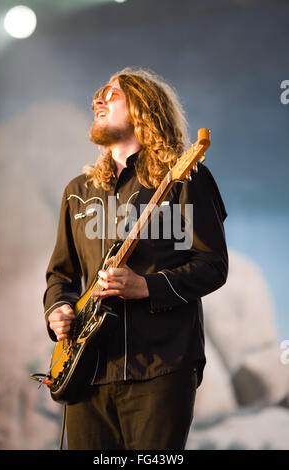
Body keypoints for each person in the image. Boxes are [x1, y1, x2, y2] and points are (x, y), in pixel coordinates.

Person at [43, 67, 228, 450]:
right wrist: (57, 309)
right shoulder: (77, 192)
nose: (98, 99)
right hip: (86, 368)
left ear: (144, 109)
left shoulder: (185, 178)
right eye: (97, 94)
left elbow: (213, 265)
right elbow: (61, 275)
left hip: (162, 367)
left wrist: (147, 286)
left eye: (112, 94)